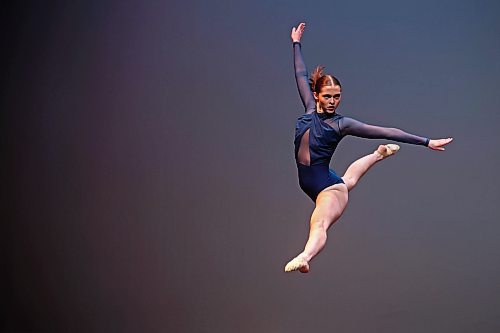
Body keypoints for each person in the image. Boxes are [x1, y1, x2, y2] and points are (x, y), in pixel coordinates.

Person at [285, 22, 453, 273]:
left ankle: (306, 256)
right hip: (324, 180)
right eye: (328, 96)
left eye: (337, 96)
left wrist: (427, 141)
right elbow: (300, 73)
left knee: (319, 222)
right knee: (348, 180)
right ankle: (378, 154)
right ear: (317, 95)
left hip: (327, 189)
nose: (333, 101)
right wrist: (296, 43)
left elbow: (386, 131)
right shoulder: (309, 110)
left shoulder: (341, 124)